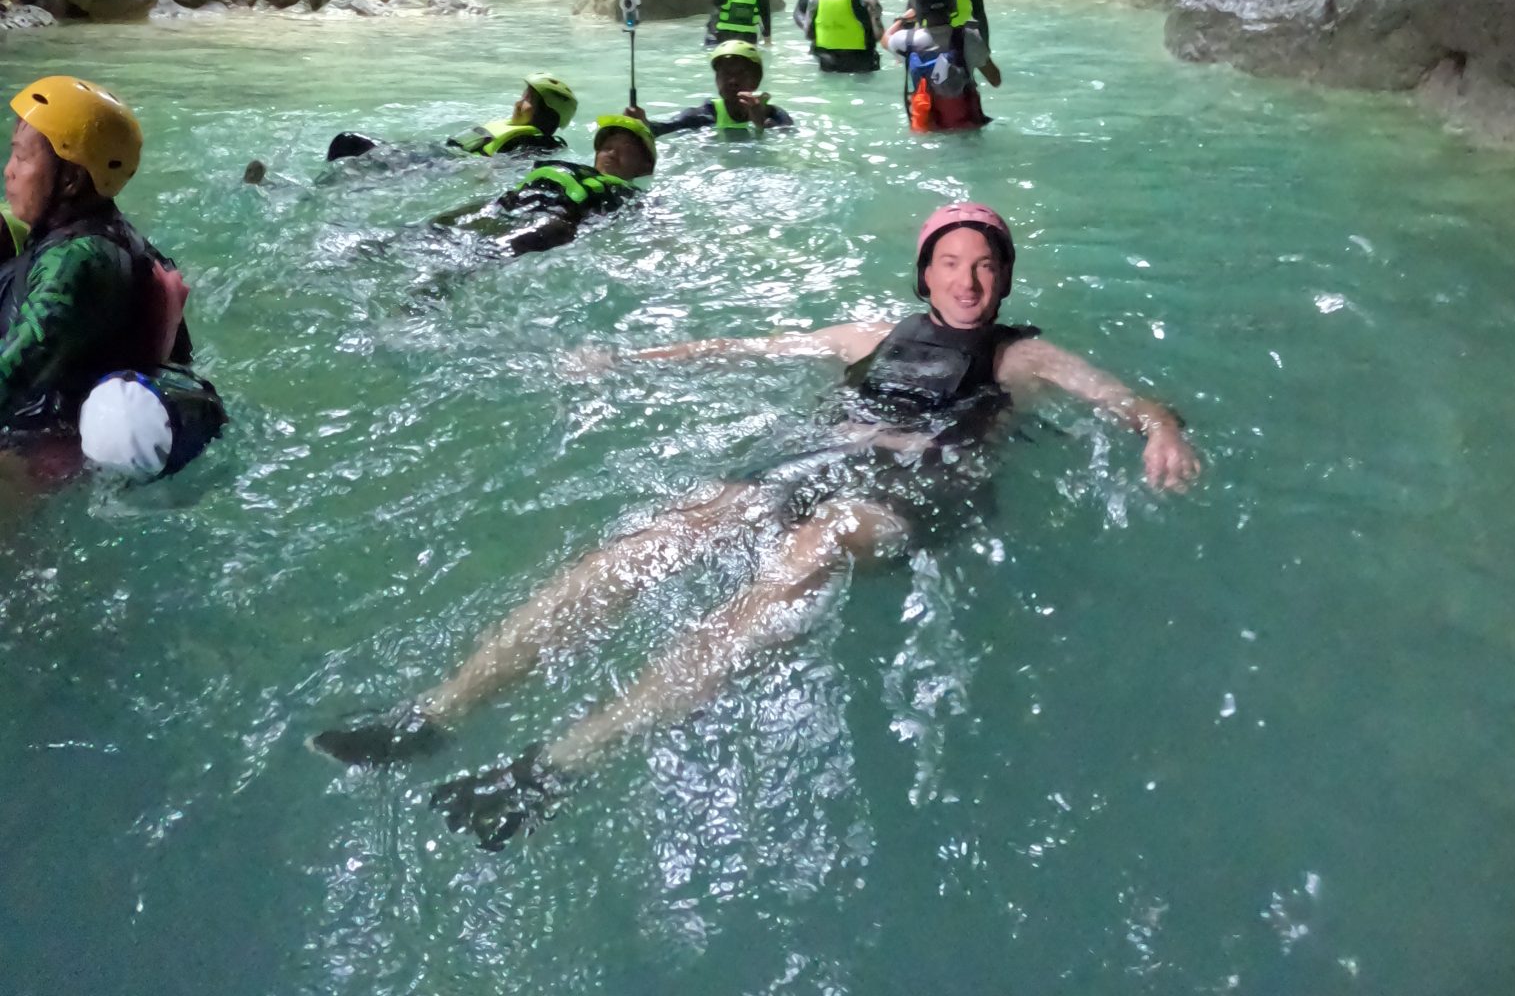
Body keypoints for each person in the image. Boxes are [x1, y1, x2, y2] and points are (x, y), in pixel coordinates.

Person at [313, 201, 1200, 843]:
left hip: (907, 500)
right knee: (665, 533)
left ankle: (557, 766)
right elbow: (742, 348)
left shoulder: (1026, 356)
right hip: (812, 464)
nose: (969, 281)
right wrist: (624, 359)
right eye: (951, 263)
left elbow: (1129, 401)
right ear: (924, 272)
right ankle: (435, 714)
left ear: (1004, 277)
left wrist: (1161, 429)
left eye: (987, 266)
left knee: (816, 545)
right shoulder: (866, 335)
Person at [0, 75, 222, 476]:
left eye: (21, 157)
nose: (8, 171)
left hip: (47, 452)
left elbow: (12, 374)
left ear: (70, 179)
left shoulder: (78, 260)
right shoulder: (101, 232)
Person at [425, 113, 656, 259]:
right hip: (508, 203)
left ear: (645, 167)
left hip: (556, 220)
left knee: (480, 254)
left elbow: (652, 231)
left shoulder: (632, 196)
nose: (612, 152)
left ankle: (441, 285)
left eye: (626, 148)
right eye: (607, 146)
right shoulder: (565, 166)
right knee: (435, 228)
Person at [326, 74, 578, 166]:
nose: (517, 103)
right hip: (438, 157)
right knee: (349, 143)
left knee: (348, 142)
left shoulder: (537, 143)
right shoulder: (519, 132)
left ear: (545, 114)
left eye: (528, 100)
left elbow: (506, 167)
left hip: (441, 166)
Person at [885, 0, 988, 129]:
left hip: (927, 131)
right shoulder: (969, 38)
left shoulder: (906, 41)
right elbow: (995, 79)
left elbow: (885, 40)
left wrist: (904, 19)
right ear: (952, 4)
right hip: (964, 128)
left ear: (919, 8)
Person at [648, 43, 794, 139]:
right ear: (717, 79)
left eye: (740, 74)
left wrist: (760, 124)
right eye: (726, 74)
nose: (732, 81)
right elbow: (663, 129)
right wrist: (641, 123)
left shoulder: (775, 115)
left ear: (756, 80)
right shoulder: (705, 114)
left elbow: (787, 141)